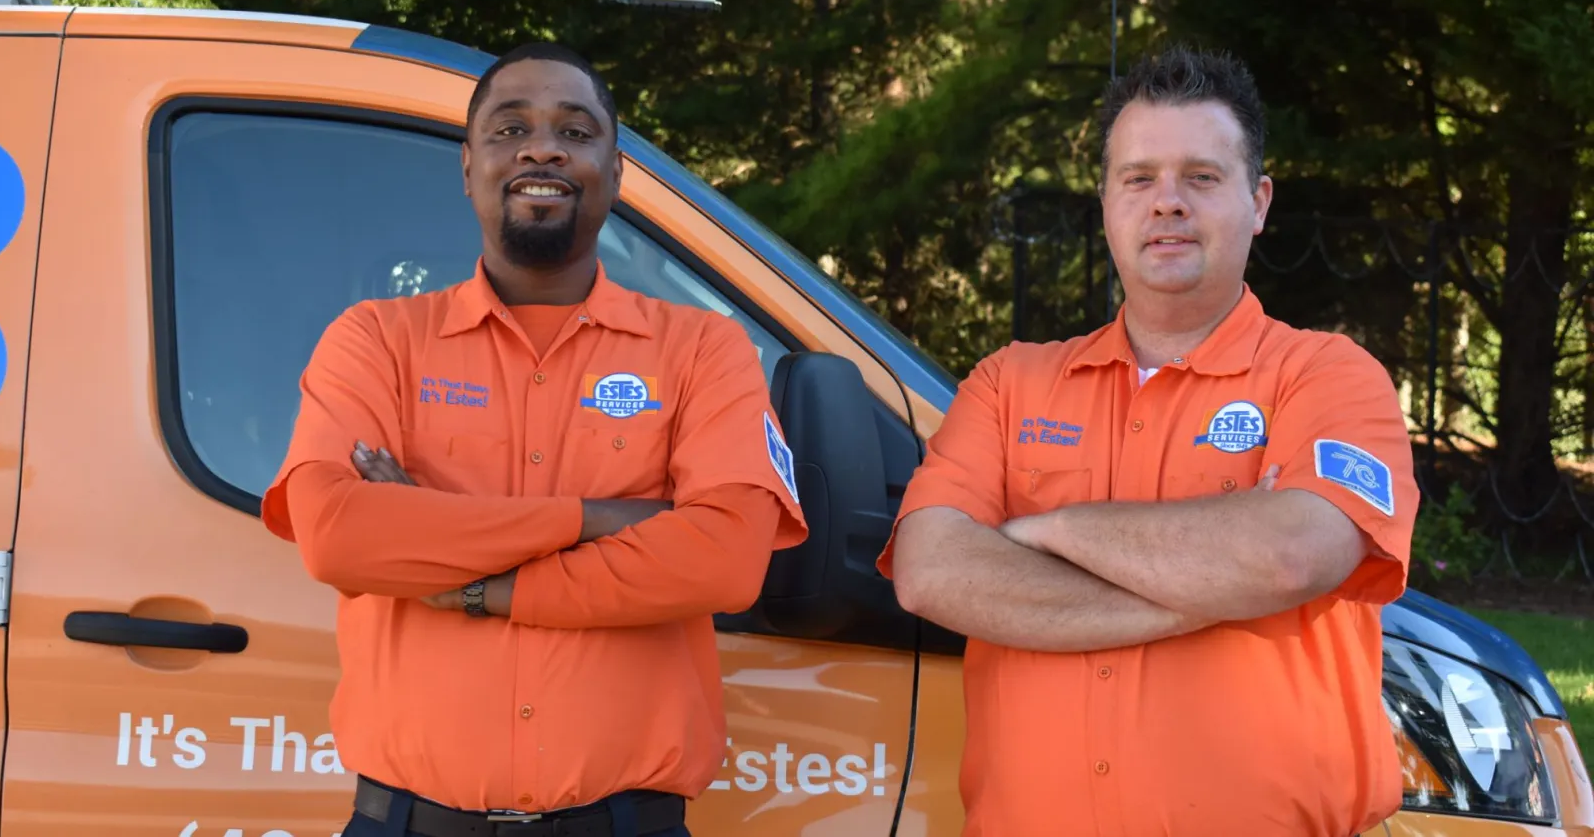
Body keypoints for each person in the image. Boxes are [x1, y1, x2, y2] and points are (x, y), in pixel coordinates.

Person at [260, 41, 808, 837]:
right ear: (468, 166)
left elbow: (725, 559)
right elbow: (340, 537)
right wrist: (596, 517)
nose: (542, 147)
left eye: (576, 132)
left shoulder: (704, 350)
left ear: (616, 173)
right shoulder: (375, 339)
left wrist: (475, 583)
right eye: (509, 129)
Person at [880, 44, 1419, 837]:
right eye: (1138, 178)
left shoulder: (1329, 376)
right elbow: (930, 573)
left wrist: (1046, 532)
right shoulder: (1007, 383)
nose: (1167, 202)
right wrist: (1216, 585)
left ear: (1259, 201)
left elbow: (1291, 556)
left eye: (1201, 178)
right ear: (1105, 202)